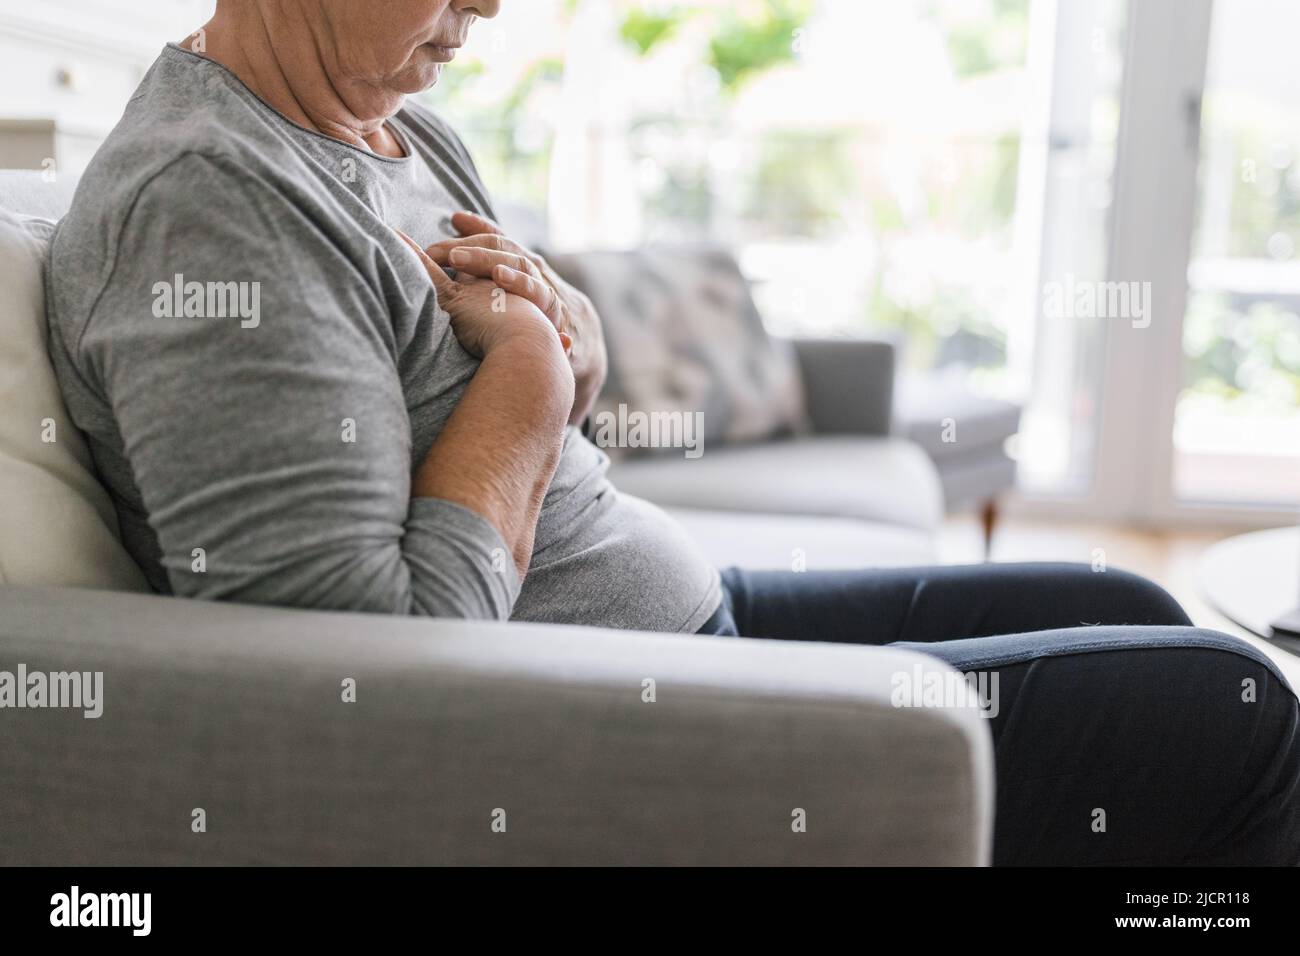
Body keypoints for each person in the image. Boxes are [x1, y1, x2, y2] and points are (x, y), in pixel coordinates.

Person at [45, 0, 1300, 865]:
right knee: (1233, 703)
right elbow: (371, 679)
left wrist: (571, 339)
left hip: (683, 612)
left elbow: (526, 374)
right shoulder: (212, 208)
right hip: (612, 716)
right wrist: (535, 378)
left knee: (1127, 589)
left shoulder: (398, 128)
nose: (490, 4)